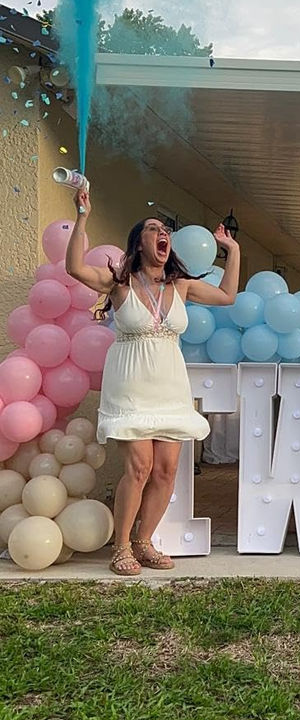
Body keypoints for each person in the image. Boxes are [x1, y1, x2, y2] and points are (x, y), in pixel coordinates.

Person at [66, 188, 240, 576]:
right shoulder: (119, 284)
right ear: (139, 244)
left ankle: (146, 542)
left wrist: (232, 249)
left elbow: (228, 296)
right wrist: (82, 216)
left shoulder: (180, 286)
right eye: (154, 229)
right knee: (140, 467)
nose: (164, 233)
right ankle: (122, 547)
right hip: (130, 386)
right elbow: (75, 268)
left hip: (170, 386)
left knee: (166, 470)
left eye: (166, 231)